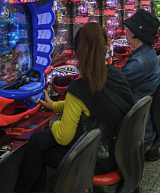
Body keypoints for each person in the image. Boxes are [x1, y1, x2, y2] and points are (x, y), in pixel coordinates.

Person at [14, 23, 133, 193]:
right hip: (118, 151)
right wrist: (54, 105)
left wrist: (53, 124)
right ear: (105, 46)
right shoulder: (115, 74)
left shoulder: (79, 88)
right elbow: (92, 103)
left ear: (79, 51)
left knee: (38, 146)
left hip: (98, 158)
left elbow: (63, 137)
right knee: (40, 141)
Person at [120, 9, 160, 144]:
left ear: (135, 33)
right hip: (143, 123)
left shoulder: (139, 62)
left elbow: (114, 86)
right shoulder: (146, 53)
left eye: (129, 28)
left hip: (138, 130)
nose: (126, 31)